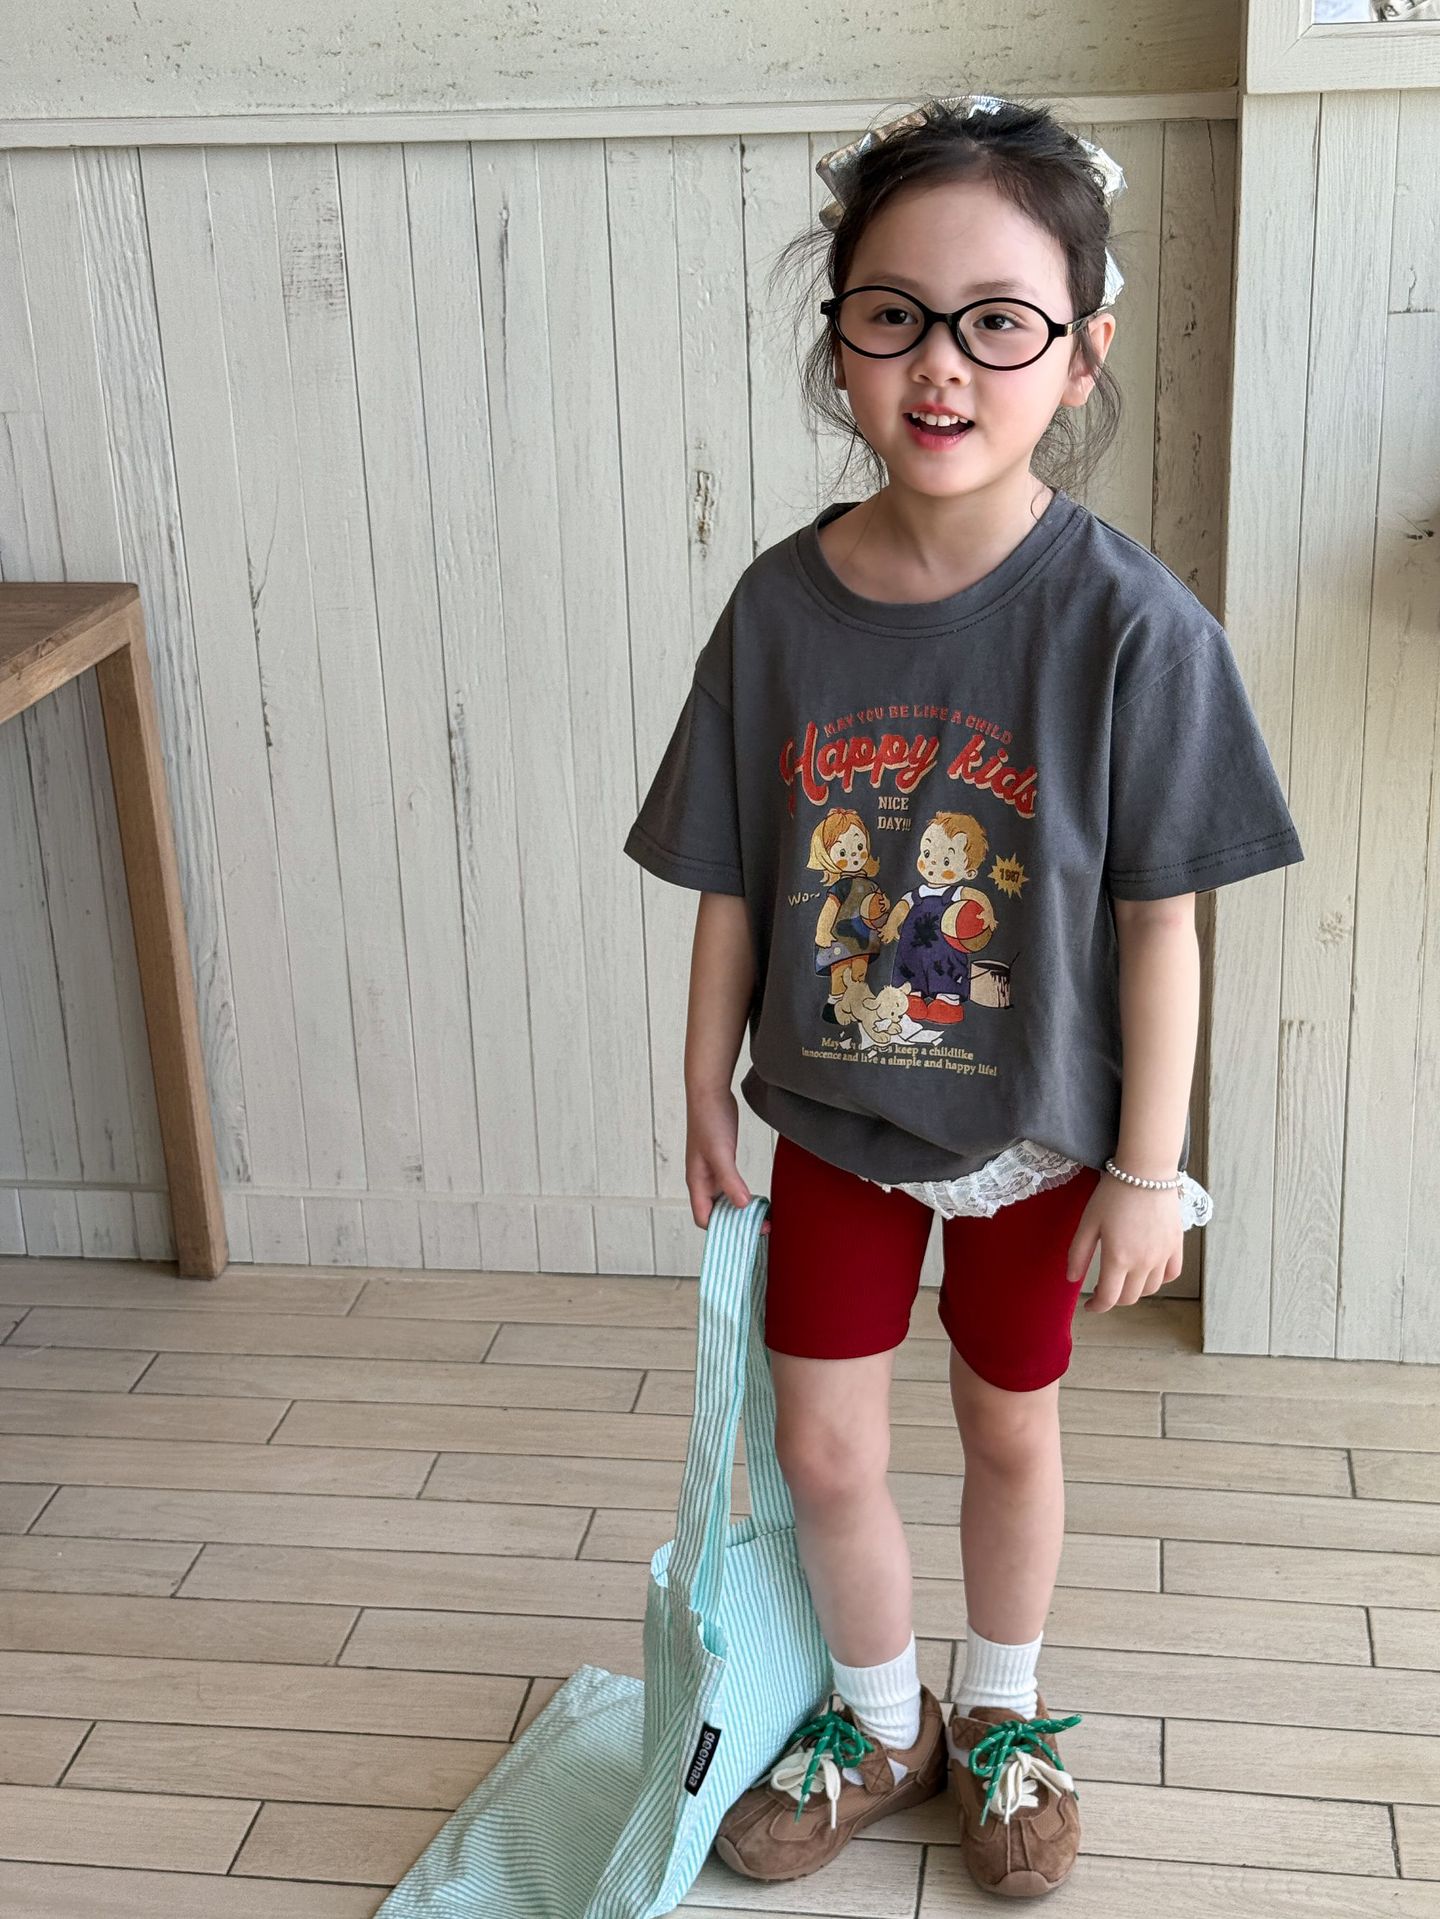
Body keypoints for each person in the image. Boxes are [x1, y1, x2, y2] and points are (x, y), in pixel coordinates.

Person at [622, 91, 1304, 1900]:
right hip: (836, 1116)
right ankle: (879, 1716)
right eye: (894, 315)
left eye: (999, 321)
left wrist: (1148, 1173)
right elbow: (734, 879)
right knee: (823, 1442)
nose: (942, 364)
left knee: (1010, 1423)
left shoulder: (1136, 629)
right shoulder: (777, 613)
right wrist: (701, 1089)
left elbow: (1164, 927)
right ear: (839, 337)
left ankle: (1000, 1712)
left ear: (1081, 354)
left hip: (1040, 1135)